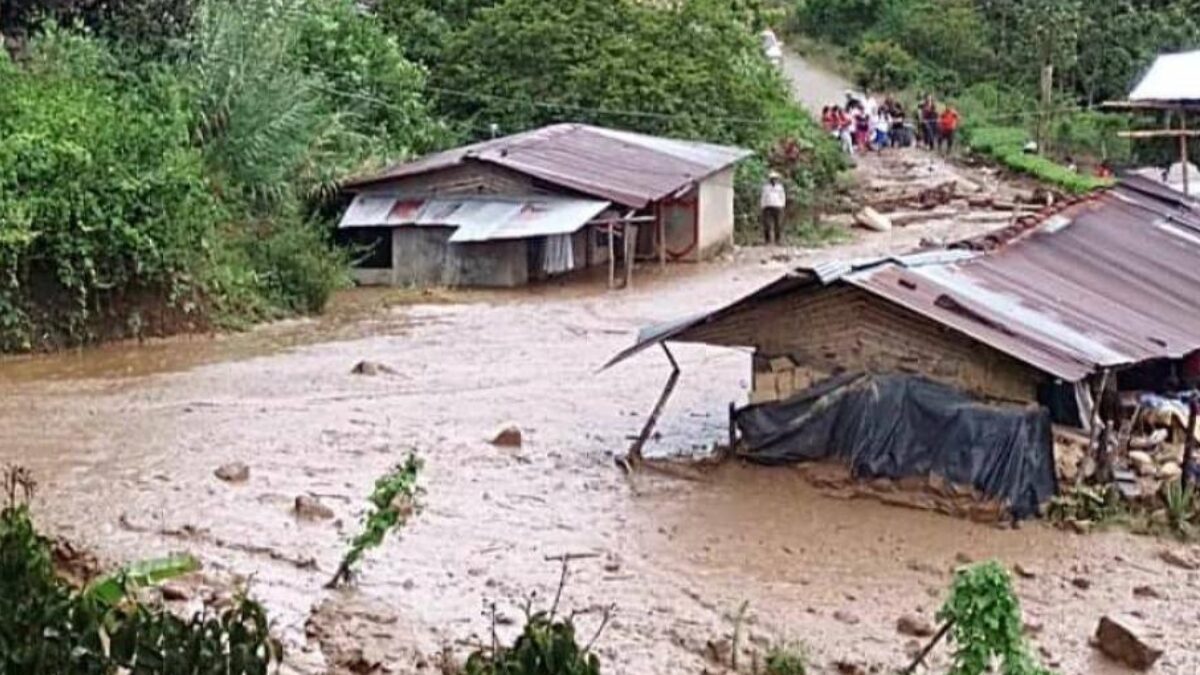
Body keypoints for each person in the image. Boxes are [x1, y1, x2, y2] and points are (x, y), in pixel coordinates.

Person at [760, 171, 786, 245]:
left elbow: (783, 197)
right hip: (767, 206)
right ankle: (767, 240)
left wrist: (782, 205)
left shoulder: (780, 187)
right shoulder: (766, 187)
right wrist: (762, 206)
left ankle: (778, 240)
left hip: (778, 206)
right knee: (767, 224)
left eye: (775, 179)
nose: (773, 180)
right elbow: (763, 197)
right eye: (772, 179)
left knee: (778, 224)